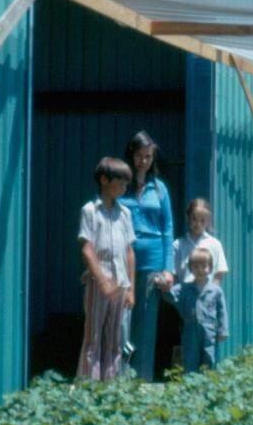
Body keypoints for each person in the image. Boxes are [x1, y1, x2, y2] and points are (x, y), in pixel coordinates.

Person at [119, 131, 175, 380]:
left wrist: (168, 269)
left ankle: (142, 379)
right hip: (123, 259)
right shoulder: (121, 186)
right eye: (139, 156)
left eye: (148, 156)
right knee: (122, 321)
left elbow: (167, 229)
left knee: (146, 324)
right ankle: (120, 377)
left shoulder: (159, 189)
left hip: (152, 261)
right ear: (131, 155)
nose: (143, 161)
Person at [76, 157, 135, 381]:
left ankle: (111, 386)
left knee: (115, 339)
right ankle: (88, 386)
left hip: (120, 285)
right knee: (93, 338)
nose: (124, 188)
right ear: (104, 180)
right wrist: (101, 280)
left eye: (126, 184)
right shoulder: (90, 211)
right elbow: (87, 249)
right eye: (120, 183)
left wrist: (131, 289)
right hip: (98, 284)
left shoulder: (125, 214)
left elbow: (130, 253)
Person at [163, 248, 229, 372]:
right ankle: (190, 384)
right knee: (189, 357)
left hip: (209, 330)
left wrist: (223, 331)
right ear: (190, 268)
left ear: (210, 267)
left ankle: (207, 383)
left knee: (209, 357)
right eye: (196, 267)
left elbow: (222, 312)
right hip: (190, 328)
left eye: (204, 266)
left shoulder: (216, 290)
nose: (200, 270)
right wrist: (163, 283)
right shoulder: (185, 288)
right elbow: (169, 295)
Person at [172, 198, 230, 285]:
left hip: (207, 295)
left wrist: (210, 293)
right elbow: (174, 274)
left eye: (202, 220)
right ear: (188, 218)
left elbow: (219, 273)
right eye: (194, 219)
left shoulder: (215, 244)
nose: (198, 224)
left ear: (208, 221)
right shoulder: (178, 245)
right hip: (186, 295)